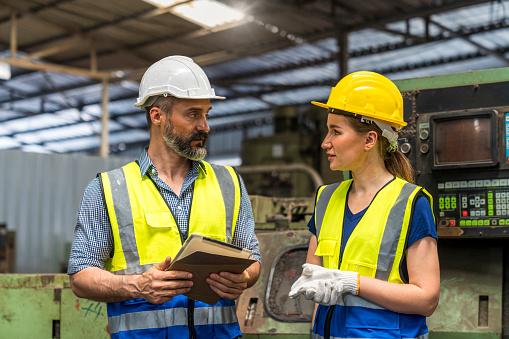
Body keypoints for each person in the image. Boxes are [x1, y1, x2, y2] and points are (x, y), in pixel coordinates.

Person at [68, 55, 261, 339]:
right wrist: (137, 286)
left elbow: (253, 258)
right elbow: (81, 277)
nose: (205, 126)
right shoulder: (109, 189)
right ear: (157, 116)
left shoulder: (229, 183)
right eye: (193, 114)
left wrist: (244, 278)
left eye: (207, 114)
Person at [289, 71, 440, 339]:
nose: (326, 142)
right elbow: (314, 277)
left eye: (336, 131)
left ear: (369, 140)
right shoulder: (325, 198)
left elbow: (426, 299)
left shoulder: (410, 203)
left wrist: (352, 283)